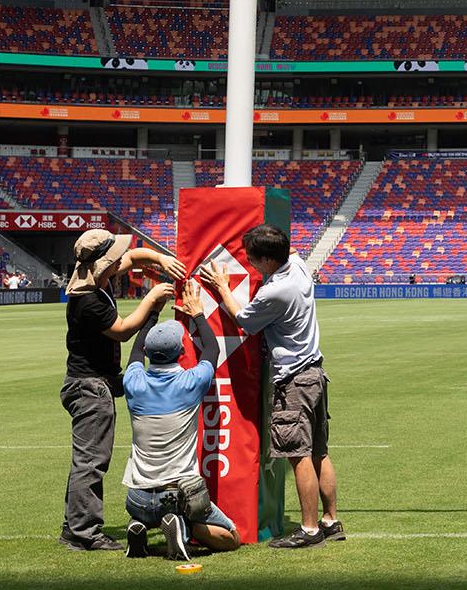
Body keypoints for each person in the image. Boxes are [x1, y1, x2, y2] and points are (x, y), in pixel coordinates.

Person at [198, 224, 343, 549]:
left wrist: (222, 287)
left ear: (267, 260)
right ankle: (330, 520)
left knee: (298, 456)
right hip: (314, 374)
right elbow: (289, 249)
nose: (250, 264)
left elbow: (244, 321)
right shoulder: (299, 267)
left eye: (252, 259)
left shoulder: (275, 290)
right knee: (319, 452)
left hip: (293, 381)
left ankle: (309, 530)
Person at [60, 228, 186, 552]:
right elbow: (123, 330)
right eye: (113, 259)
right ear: (103, 264)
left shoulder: (93, 278)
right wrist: (152, 299)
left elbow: (132, 257)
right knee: (91, 461)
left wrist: (160, 259)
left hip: (94, 380)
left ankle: (74, 525)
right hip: (90, 388)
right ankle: (84, 532)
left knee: (86, 460)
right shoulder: (88, 300)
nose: (120, 262)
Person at [121, 288, 241, 561]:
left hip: (137, 498)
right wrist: (198, 313)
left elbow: (136, 351)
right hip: (177, 495)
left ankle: (139, 525)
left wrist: (153, 312)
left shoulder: (133, 383)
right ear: (182, 350)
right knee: (231, 536)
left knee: (146, 510)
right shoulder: (190, 383)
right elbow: (212, 349)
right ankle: (182, 526)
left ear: (148, 352)